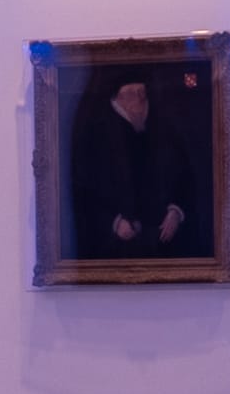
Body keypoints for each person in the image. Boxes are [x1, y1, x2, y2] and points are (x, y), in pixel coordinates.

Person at [66, 66, 208, 263]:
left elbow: (185, 177)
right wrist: (114, 222)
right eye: (132, 93)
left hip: (162, 244)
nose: (140, 99)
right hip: (115, 249)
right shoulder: (96, 133)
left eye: (142, 92)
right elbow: (83, 191)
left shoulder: (163, 129)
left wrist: (176, 211)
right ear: (118, 98)